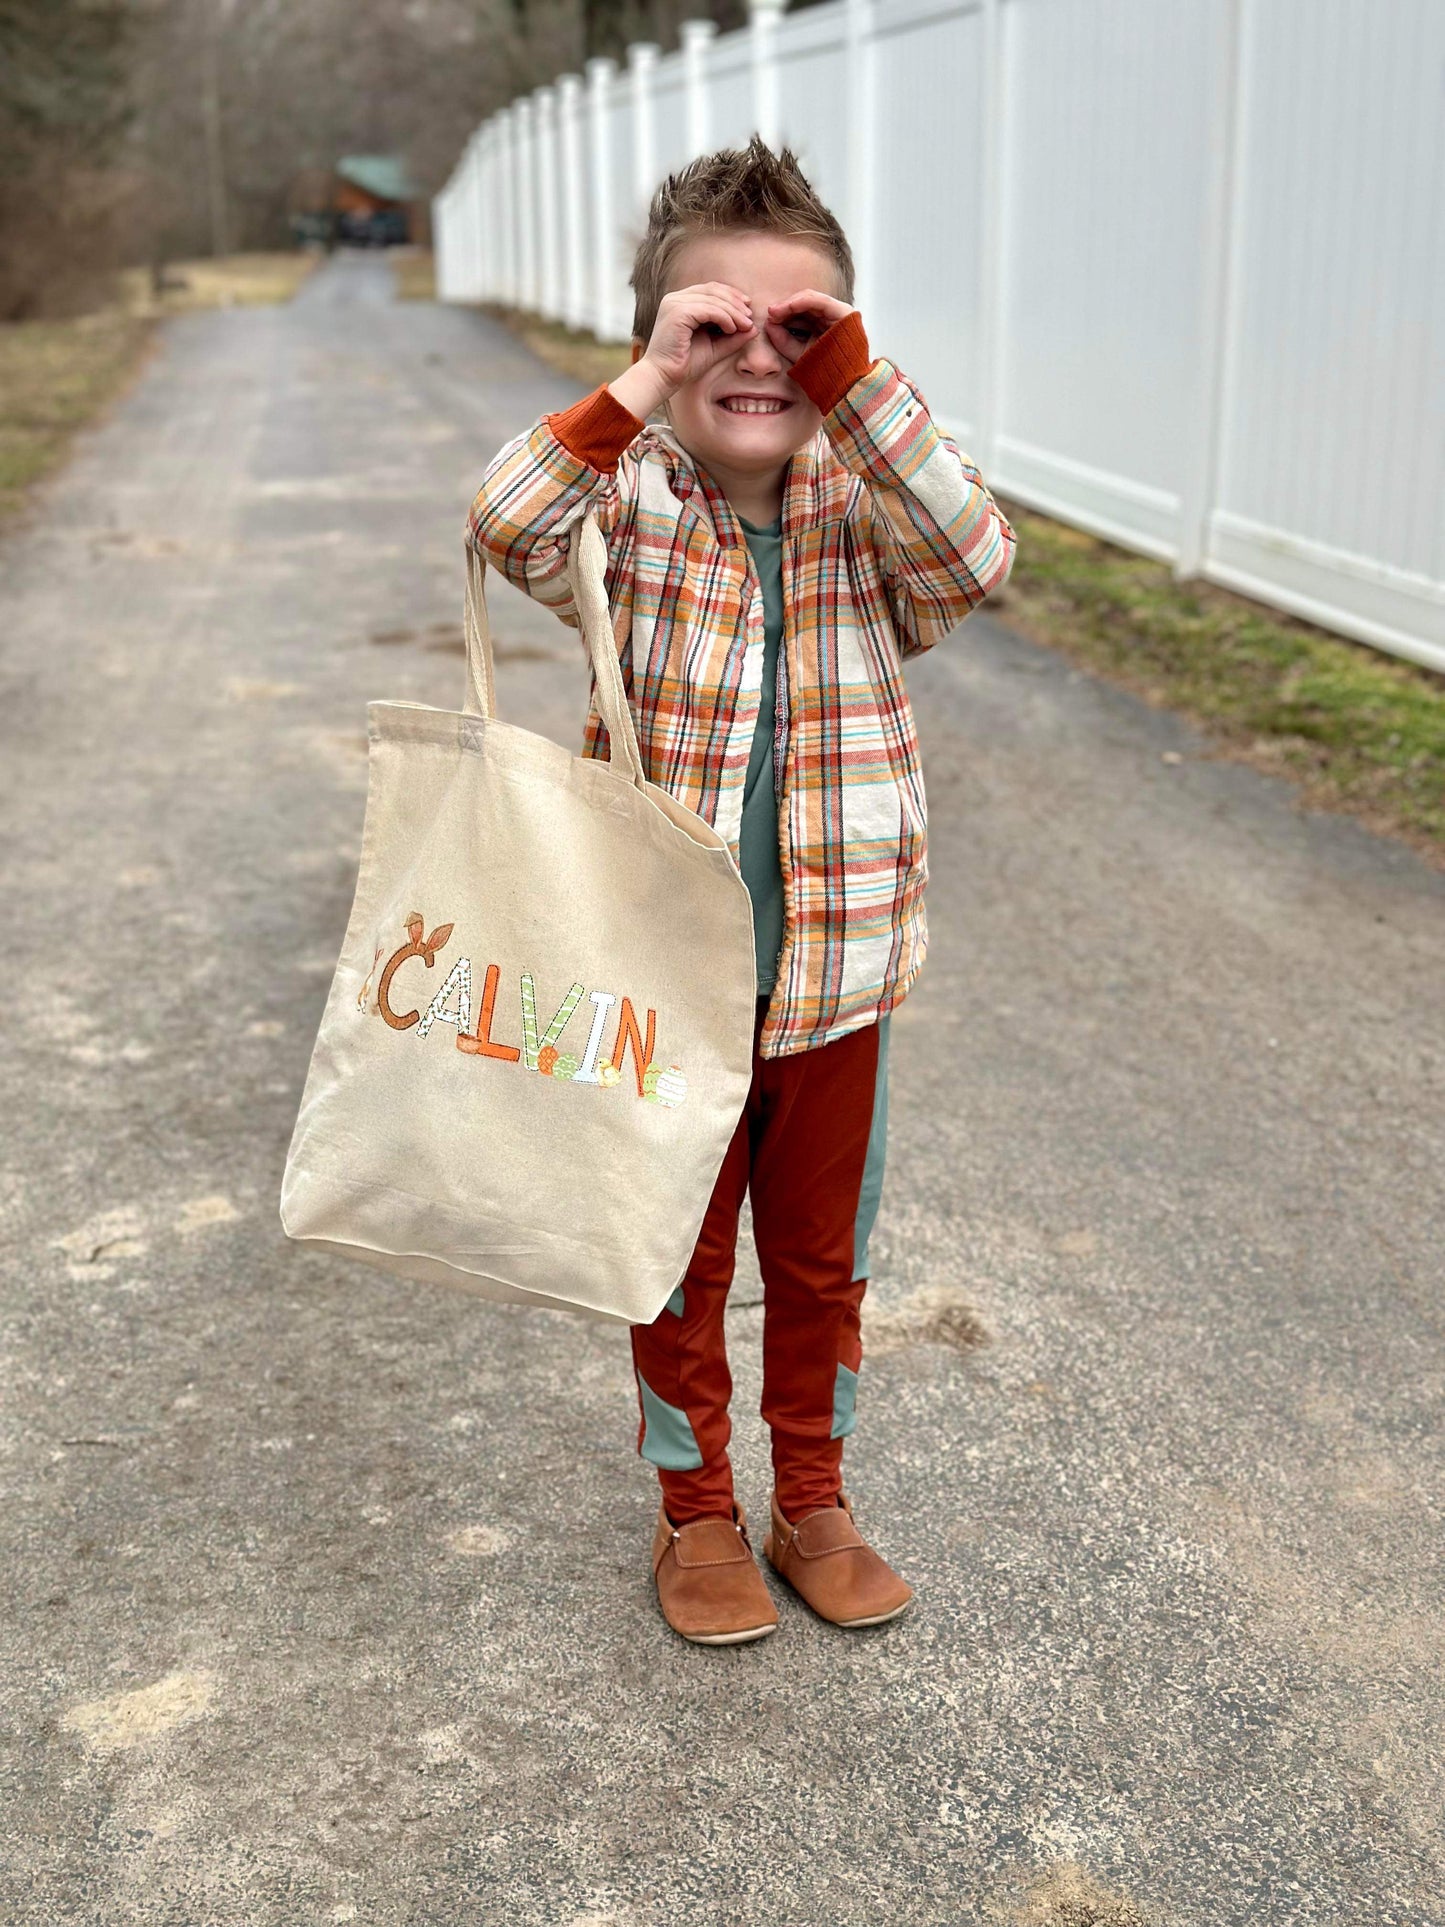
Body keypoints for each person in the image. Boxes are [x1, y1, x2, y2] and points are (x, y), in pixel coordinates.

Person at [467, 137, 1016, 1645]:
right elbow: (504, 520)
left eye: (802, 326)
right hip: (662, 983)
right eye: (720, 324)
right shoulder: (628, 506)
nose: (758, 354)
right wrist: (641, 383)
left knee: (822, 1263)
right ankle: (694, 1508)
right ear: (664, 337)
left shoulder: (867, 510)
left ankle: (814, 1493)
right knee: (675, 1256)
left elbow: (976, 561)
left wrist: (857, 385)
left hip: (838, 978)